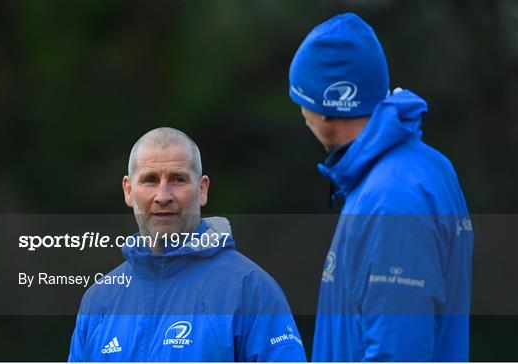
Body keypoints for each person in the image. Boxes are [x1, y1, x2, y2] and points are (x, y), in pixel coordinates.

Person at [288, 13, 473, 361]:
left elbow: (398, 348)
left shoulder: (391, 195)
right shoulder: (420, 169)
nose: (301, 113)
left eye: (301, 101)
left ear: (325, 107)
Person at [68, 127, 307, 362]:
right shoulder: (99, 300)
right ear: (129, 191)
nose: (163, 196)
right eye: (150, 180)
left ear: (202, 189)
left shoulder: (250, 289)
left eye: (177, 179)